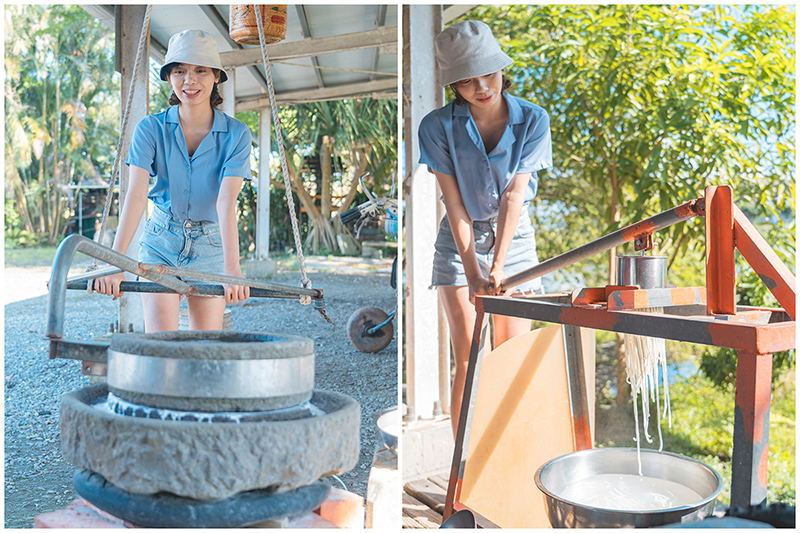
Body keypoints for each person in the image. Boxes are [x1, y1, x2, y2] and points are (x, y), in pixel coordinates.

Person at [418, 20, 553, 435]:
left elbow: (514, 196)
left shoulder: (534, 120)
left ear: (502, 69)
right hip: (460, 240)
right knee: (469, 357)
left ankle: (505, 463)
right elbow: (454, 202)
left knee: (510, 357)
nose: (481, 86)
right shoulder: (436, 126)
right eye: (466, 80)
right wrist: (475, 271)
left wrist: (498, 264)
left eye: (488, 72)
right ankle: (464, 473)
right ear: (453, 86)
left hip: (516, 238)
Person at [94, 29, 251, 331]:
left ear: (216, 76)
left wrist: (232, 268)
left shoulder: (237, 135)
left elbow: (226, 200)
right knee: (162, 346)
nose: (189, 81)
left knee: (204, 349)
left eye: (200, 71)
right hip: (160, 242)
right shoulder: (149, 129)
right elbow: (136, 196)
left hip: (210, 247)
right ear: (169, 77)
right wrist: (116, 264)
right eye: (180, 71)